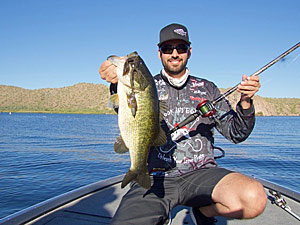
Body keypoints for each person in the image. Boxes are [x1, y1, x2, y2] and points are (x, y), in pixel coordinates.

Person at [99, 23, 267, 225]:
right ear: (159, 53)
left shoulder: (208, 89)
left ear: (189, 51)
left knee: (253, 199)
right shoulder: (146, 85)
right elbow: (127, 112)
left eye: (181, 48)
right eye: (168, 48)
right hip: (154, 176)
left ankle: (203, 213)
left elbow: (237, 133)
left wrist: (246, 102)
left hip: (202, 174)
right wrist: (115, 83)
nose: (175, 53)